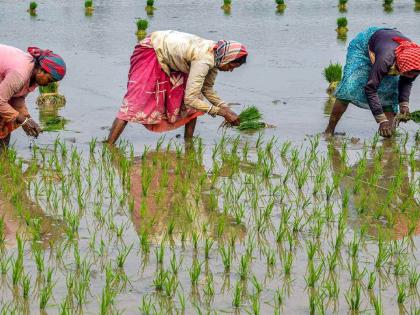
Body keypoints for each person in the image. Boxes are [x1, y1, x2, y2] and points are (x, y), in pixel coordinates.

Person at [107, 30, 248, 144]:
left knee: (194, 106)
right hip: (152, 50)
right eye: (231, 66)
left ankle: (188, 143)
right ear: (226, 58)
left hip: (176, 59)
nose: (230, 70)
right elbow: (190, 99)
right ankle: (109, 145)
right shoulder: (203, 60)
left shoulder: (217, 56)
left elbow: (207, 89)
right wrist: (222, 113)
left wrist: (226, 108)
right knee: (135, 102)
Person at [324, 27, 420, 137]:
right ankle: (329, 131)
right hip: (364, 47)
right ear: (403, 65)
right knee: (349, 88)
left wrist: (404, 105)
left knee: (390, 94)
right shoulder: (386, 59)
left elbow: (406, 82)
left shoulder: (415, 62)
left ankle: (388, 141)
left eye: (415, 74)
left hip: (387, 48)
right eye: (410, 73)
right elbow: (370, 88)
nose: (412, 76)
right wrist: (381, 120)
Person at [0, 45, 66, 149]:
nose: (48, 84)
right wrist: (22, 120)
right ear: (41, 70)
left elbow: (17, 98)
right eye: (50, 80)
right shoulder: (20, 74)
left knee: (9, 114)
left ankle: (3, 157)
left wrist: (28, 118)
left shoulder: (33, 77)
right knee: (8, 113)